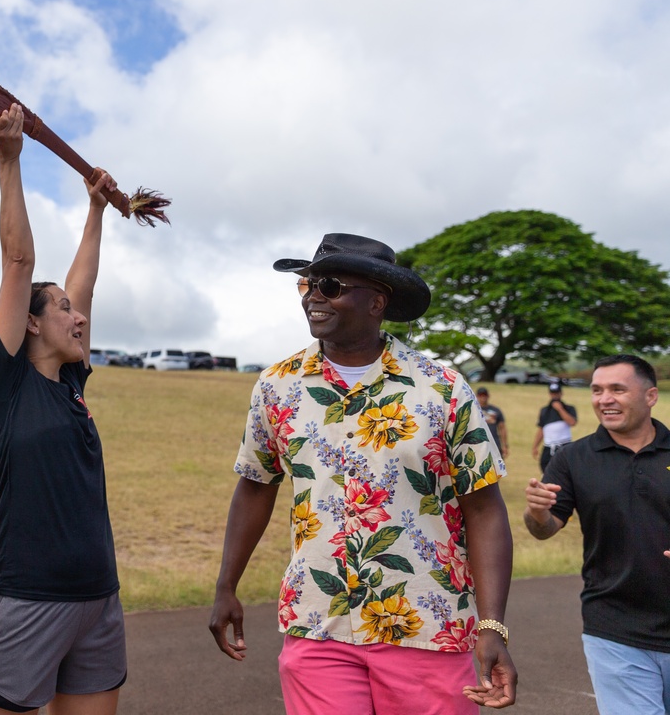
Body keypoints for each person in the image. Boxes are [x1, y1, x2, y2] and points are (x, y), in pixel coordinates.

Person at [209, 233, 517, 714]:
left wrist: (492, 624)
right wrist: (226, 586)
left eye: (329, 285)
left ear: (377, 302)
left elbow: (484, 508)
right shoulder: (277, 386)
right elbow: (254, 485)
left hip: (425, 624)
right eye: (307, 284)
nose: (313, 295)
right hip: (318, 623)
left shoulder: (442, 388)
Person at [0, 103, 125, 715]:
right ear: (28, 323)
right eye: (59, 310)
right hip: (25, 599)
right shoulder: (7, 384)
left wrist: (95, 210)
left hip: (97, 599)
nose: (77, 316)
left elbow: (83, 285)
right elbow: (18, 263)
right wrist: (9, 161)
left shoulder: (72, 382)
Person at [524, 355, 669, 715]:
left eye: (617, 389)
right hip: (613, 625)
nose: (604, 399)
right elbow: (544, 530)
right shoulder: (573, 458)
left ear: (650, 396)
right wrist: (537, 512)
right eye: (597, 390)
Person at [530, 381, 577, 473]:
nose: (555, 395)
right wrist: (535, 446)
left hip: (564, 445)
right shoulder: (545, 410)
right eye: (553, 393)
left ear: (561, 393)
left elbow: (572, 422)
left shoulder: (569, 408)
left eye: (557, 393)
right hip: (548, 447)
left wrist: (560, 409)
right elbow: (541, 429)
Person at [476, 387, 509, 458]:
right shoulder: (474, 410)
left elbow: (502, 428)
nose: (483, 397)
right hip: (478, 443)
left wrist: (505, 445)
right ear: (477, 396)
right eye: (480, 395)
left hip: (494, 443)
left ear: (488, 396)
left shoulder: (495, 410)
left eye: (484, 395)